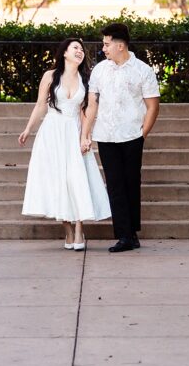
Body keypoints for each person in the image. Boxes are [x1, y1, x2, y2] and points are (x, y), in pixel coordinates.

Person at [19, 38, 111, 250]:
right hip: (52, 132)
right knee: (58, 181)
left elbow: (85, 111)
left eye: (81, 49)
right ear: (64, 53)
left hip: (74, 131)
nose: (80, 51)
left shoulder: (85, 79)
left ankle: (79, 229)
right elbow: (41, 105)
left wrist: (85, 137)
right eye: (75, 48)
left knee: (76, 180)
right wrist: (28, 129)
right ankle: (68, 229)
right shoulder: (50, 76)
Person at [81, 23, 160, 253]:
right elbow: (92, 105)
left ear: (120, 45)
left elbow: (153, 106)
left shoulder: (143, 70)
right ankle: (125, 235)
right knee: (114, 185)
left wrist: (142, 134)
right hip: (106, 135)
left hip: (132, 135)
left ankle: (131, 232)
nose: (104, 48)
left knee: (131, 183)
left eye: (107, 44)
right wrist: (86, 133)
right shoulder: (99, 70)